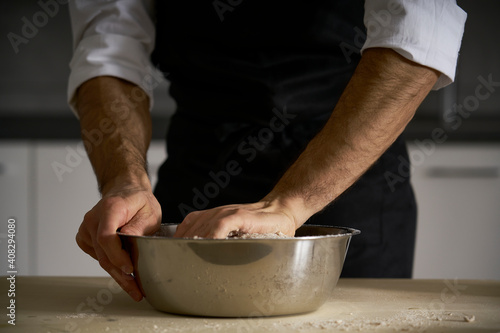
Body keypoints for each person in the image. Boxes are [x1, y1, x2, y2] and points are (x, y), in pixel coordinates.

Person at [67, 1, 466, 301]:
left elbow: (417, 35)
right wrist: (124, 180)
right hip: (200, 173)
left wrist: (290, 204)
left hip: (348, 180)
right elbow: (108, 47)